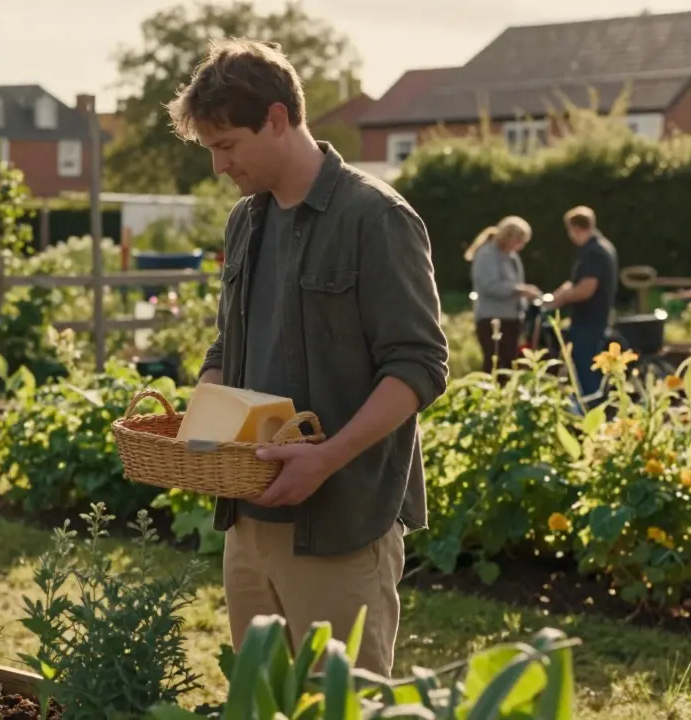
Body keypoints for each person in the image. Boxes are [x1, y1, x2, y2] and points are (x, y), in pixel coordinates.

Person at [165, 38, 449, 675]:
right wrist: (203, 416)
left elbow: (419, 365)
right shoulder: (245, 221)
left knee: (345, 704)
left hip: (341, 520)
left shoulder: (375, 218)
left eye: (226, 145)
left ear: (276, 118)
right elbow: (226, 346)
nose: (218, 166)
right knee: (262, 699)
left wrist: (326, 457)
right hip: (249, 519)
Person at [548, 205, 618, 399]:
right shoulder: (601, 247)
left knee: (586, 372)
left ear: (574, 228)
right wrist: (562, 290)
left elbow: (587, 288)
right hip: (596, 318)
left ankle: (590, 411)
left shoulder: (593, 252)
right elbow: (578, 281)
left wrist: (559, 300)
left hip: (588, 320)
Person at [465, 216, 540, 372]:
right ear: (509, 237)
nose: (520, 246)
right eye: (519, 241)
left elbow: (516, 281)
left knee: (511, 364)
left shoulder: (512, 256)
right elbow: (489, 286)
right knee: (495, 364)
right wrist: (518, 290)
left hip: (512, 318)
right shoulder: (486, 254)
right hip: (492, 319)